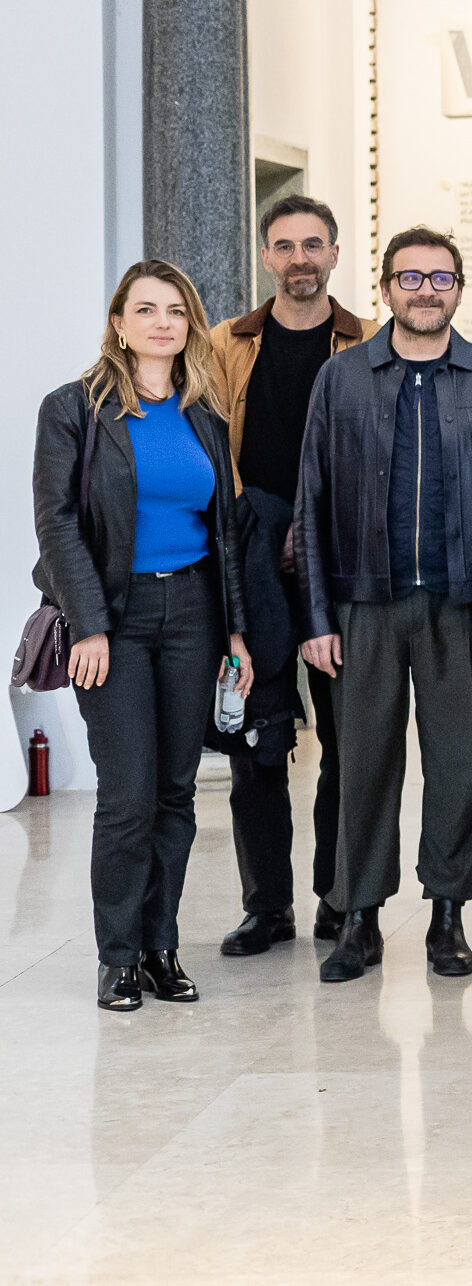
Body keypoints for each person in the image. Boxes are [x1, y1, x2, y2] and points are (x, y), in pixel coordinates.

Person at [295, 226, 472, 984]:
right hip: (365, 603)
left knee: (461, 766)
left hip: (463, 606)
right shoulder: (342, 378)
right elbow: (310, 501)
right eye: (411, 277)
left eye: (441, 278)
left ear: (459, 288)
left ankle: (447, 913)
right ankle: (359, 917)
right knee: (362, 766)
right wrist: (316, 618)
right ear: (387, 287)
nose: (426, 290)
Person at [36, 260, 253, 1010]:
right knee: (128, 796)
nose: (163, 323)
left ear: (190, 325)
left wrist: (236, 633)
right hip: (114, 617)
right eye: (146, 310)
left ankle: (162, 948)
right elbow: (57, 523)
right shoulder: (73, 409)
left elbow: (224, 533)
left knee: (175, 792)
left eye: (176, 311)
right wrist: (89, 625)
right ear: (119, 324)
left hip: (192, 612)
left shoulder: (204, 416)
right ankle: (118, 957)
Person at [205, 194, 377, 958]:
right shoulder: (225, 344)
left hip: (340, 563)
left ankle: (340, 899)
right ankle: (266, 906)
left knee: (348, 743)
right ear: (266, 256)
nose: (300, 258)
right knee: (257, 742)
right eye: (285, 245)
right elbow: (211, 451)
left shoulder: (368, 341)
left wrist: (312, 528)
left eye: (313, 244)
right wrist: (260, 529)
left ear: (335, 254)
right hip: (252, 562)